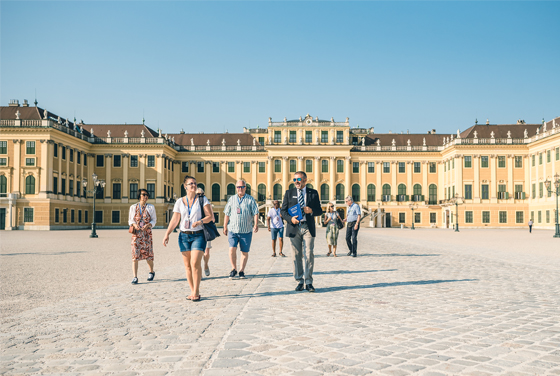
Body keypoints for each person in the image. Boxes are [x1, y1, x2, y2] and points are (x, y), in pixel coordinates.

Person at [163, 176, 213, 302]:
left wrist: (200, 221)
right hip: (184, 236)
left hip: (198, 235)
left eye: (195, 184)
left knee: (195, 263)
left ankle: (196, 292)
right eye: (191, 184)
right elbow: (175, 219)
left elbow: (210, 216)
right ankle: (192, 290)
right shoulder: (180, 201)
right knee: (188, 266)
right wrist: (167, 233)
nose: (194, 186)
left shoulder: (202, 199)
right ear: (185, 186)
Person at [281, 171, 323, 292]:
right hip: (294, 227)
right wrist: (290, 219)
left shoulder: (313, 193)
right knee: (296, 255)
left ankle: (309, 282)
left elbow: (319, 210)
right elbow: (283, 211)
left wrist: (311, 211)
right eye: (294, 180)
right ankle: (299, 280)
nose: (296, 182)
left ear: (305, 180)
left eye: (298, 179)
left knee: (309, 253)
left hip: (307, 227)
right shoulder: (289, 193)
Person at [223, 179, 259, 279]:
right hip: (233, 229)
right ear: (236, 188)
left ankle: (241, 270)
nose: (240, 189)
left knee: (244, 252)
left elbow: (255, 212)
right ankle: (233, 269)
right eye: (238, 187)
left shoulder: (250, 199)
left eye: (242, 187)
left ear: (245, 188)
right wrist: (225, 226)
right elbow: (227, 213)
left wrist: (256, 224)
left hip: (246, 230)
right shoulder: (231, 199)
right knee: (232, 249)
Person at [129, 188, 157, 284]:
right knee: (135, 255)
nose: (146, 196)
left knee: (148, 255)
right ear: (139, 196)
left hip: (147, 234)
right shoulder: (133, 207)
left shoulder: (151, 207)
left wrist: (148, 225)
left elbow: (154, 220)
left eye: (147, 195)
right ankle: (135, 277)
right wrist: (134, 225)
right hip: (136, 235)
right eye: (143, 194)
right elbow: (130, 220)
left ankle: (151, 271)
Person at [197, 187, 214, 277]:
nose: (200, 196)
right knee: (198, 253)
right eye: (198, 194)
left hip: (206, 229)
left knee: (206, 253)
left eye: (201, 194)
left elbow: (212, 218)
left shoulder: (207, 204)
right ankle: (199, 273)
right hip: (196, 231)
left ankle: (206, 265)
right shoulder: (193, 204)